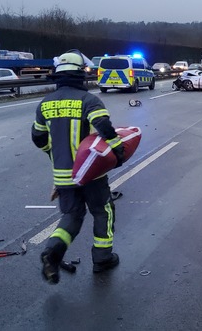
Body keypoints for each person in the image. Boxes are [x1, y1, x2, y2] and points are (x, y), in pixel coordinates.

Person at [32, 49, 125, 284]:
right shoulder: (88, 100)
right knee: (102, 211)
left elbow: (38, 138)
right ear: (79, 75)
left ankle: (52, 252)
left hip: (63, 176)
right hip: (90, 173)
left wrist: (55, 156)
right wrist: (118, 150)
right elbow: (102, 125)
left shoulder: (45, 104)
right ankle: (102, 258)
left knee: (72, 215)